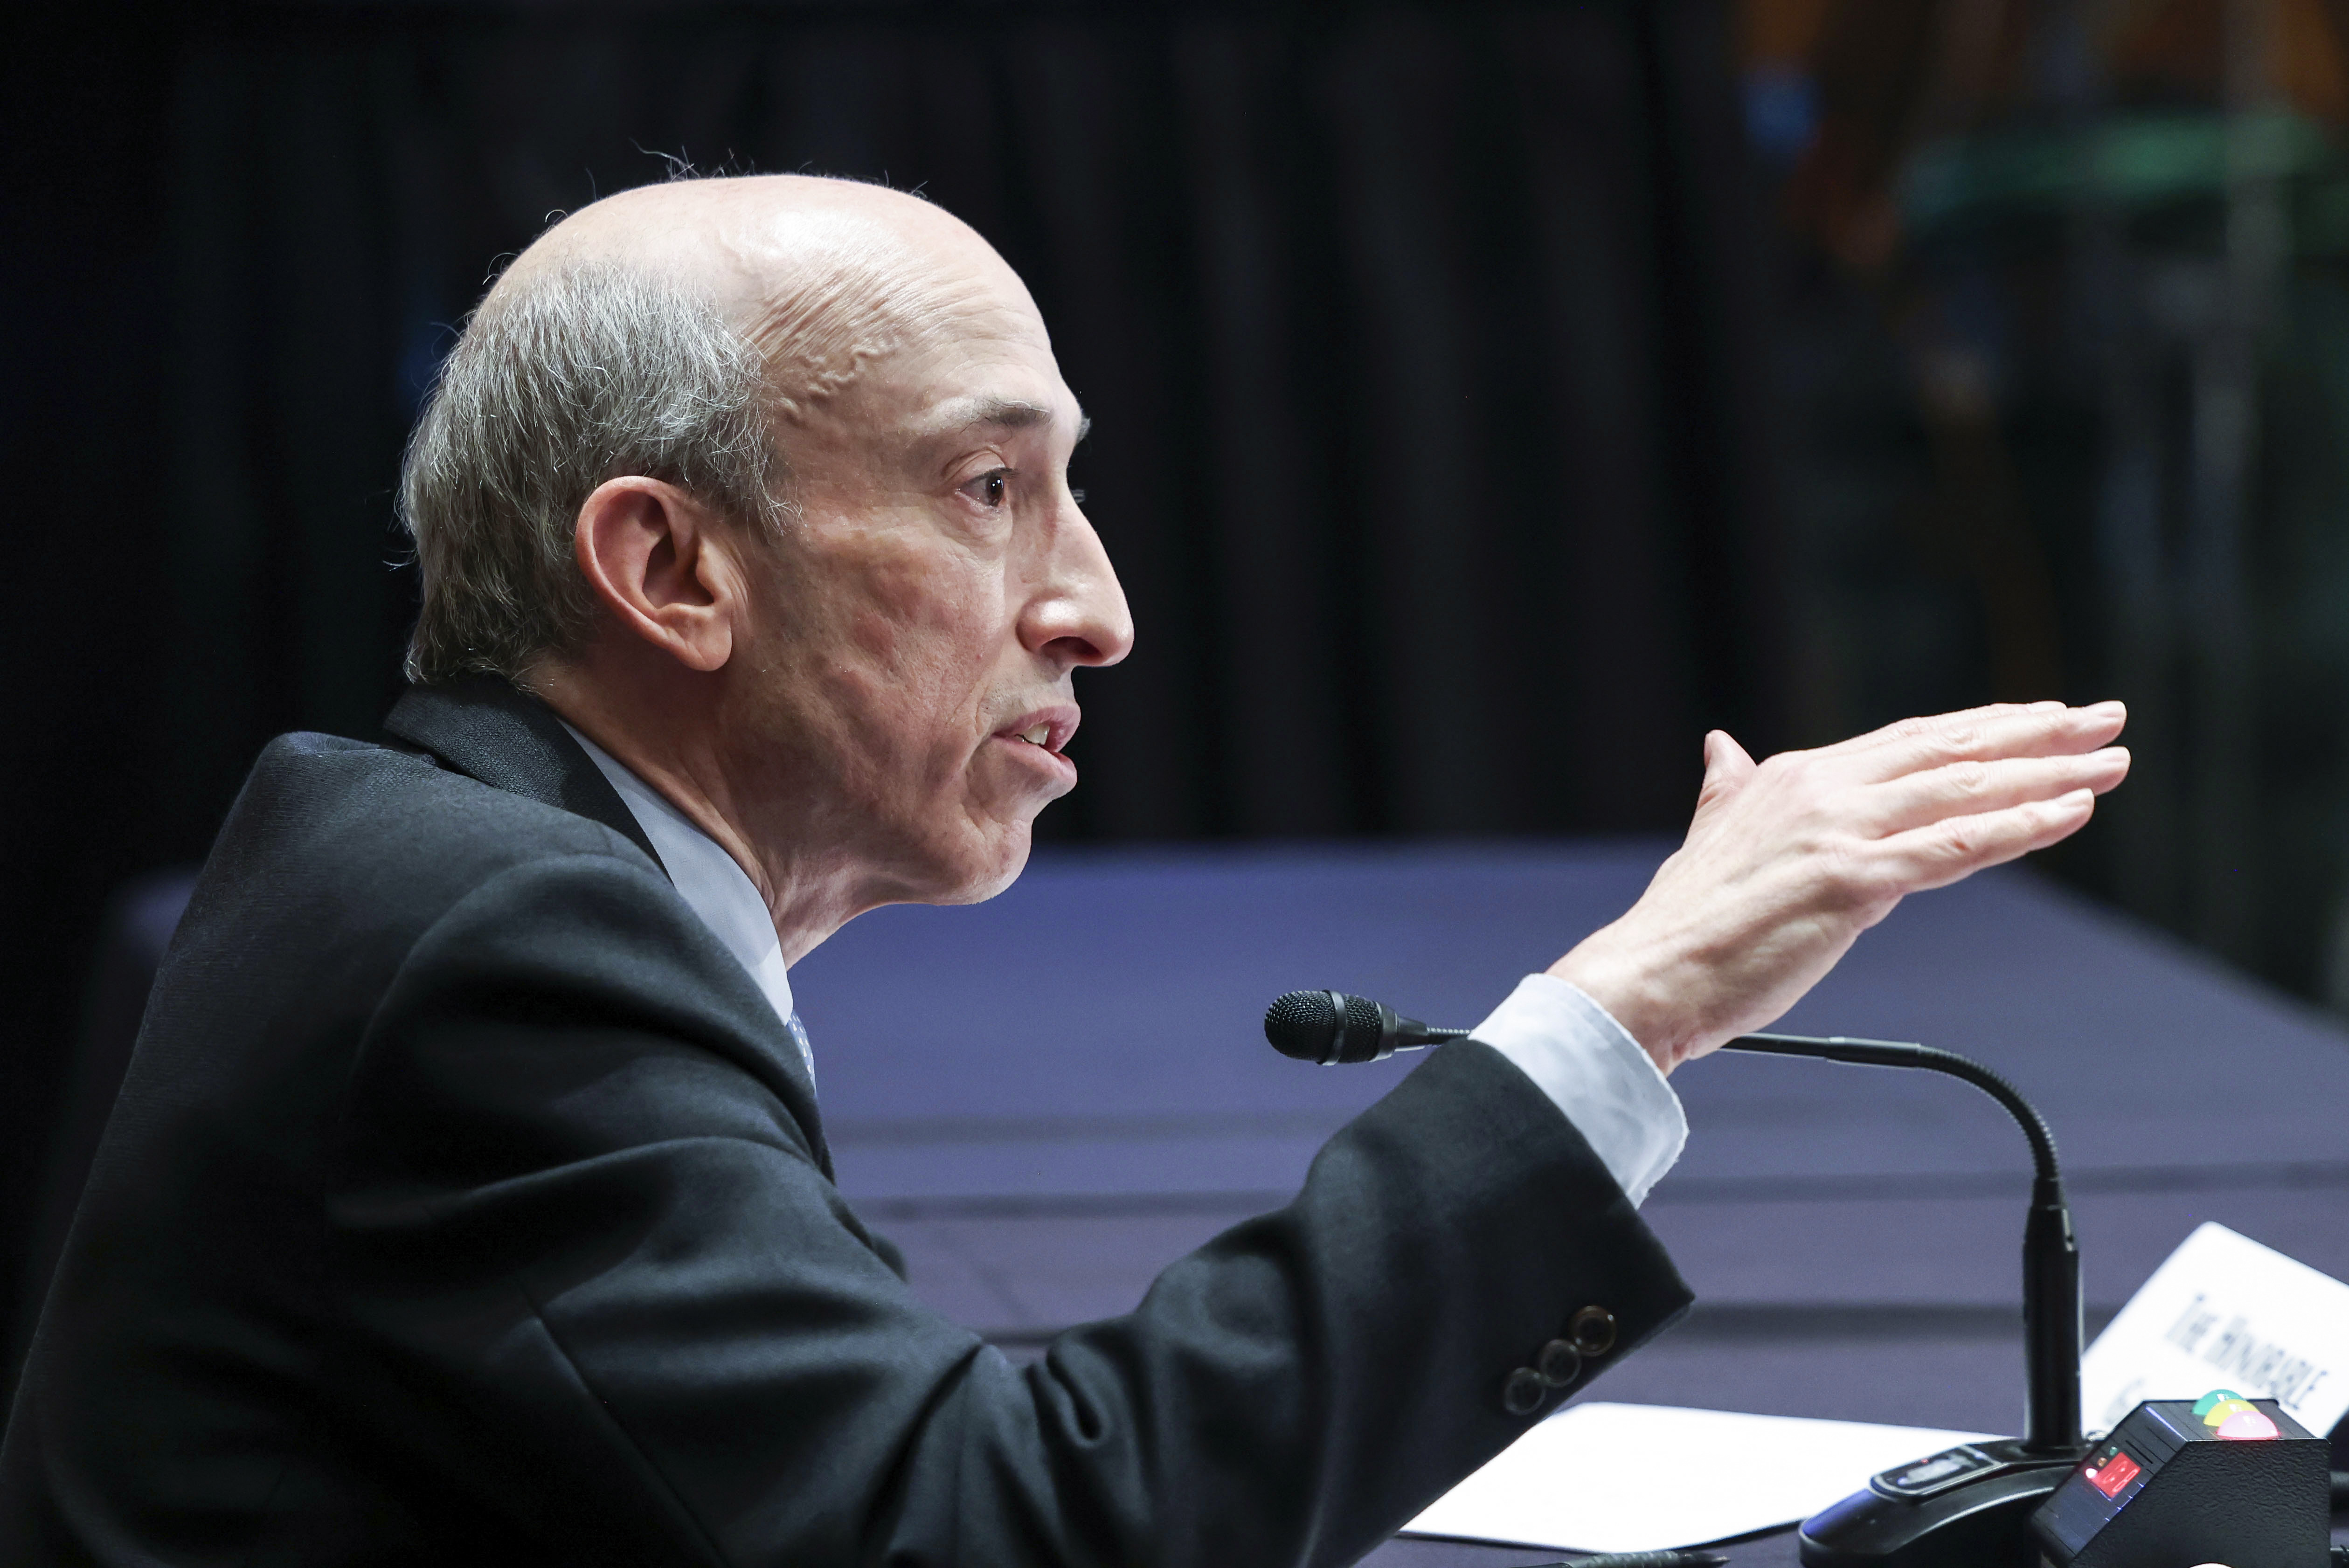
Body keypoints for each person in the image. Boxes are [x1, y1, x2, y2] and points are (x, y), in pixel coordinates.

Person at [0, 175, 2129, 1567]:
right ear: (669, 565)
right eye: (989, 489)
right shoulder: (499, 946)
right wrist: (1638, 1002)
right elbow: (1000, 1539)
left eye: (1070, 489)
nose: (1096, 608)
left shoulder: (434, 850)